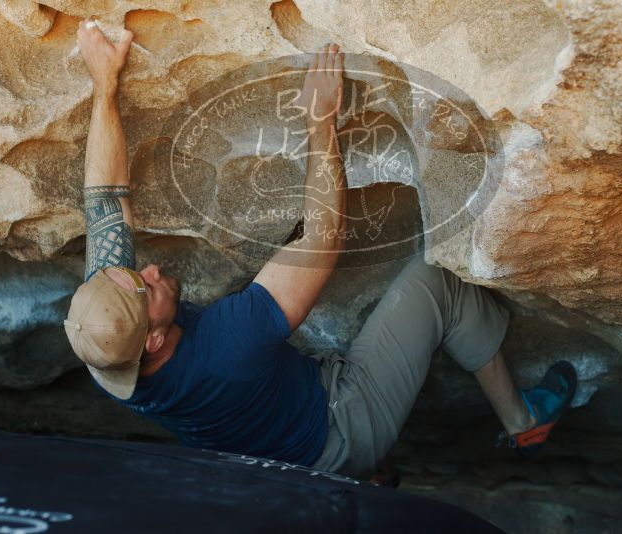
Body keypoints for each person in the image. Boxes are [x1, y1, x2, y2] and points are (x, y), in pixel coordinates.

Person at [64, 20, 577, 479]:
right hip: (337, 435)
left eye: (131, 275)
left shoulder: (106, 347)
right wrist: (319, 121)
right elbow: (321, 242)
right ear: (153, 341)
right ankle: (523, 421)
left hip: (272, 462)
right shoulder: (227, 344)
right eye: (146, 287)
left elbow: (105, 201)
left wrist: (104, 85)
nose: (149, 270)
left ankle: (366, 477)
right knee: (437, 279)